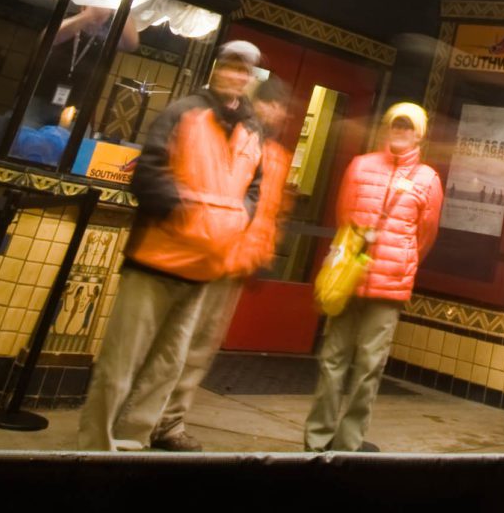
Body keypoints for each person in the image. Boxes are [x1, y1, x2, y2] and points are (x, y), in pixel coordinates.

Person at [75, 39, 267, 450]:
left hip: (204, 266)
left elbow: (255, 185)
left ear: (250, 79)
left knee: (167, 365)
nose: (235, 76)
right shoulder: (183, 112)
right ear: (216, 70)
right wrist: (189, 214)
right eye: (229, 67)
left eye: (243, 71)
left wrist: (237, 218)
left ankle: (134, 440)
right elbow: (146, 172)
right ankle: (93, 447)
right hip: (155, 259)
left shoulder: (253, 130)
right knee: (121, 362)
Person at [145, 74, 298, 451]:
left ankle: (170, 423)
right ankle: (143, 417)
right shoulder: (229, 137)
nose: (275, 113)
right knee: (172, 343)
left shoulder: (277, 156)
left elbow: (271, 212)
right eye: (270, 104)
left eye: (281, 108)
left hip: (236, 264)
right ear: (255, 103)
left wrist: (262, 254)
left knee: (198, 350)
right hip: (204, 254)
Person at [304, 102, 442, 452]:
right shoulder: (361, 166)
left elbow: (425, 236)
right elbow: (343, 217)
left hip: (388, 286)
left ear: (420, 134)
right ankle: (317, 439)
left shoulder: (428, 179)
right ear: (386, 127)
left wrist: (400, 263)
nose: (401, 131)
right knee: (333, 360)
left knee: (369, 367)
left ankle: (348, 443)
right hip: (348, 282)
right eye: (395, 124)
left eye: (408, 126)